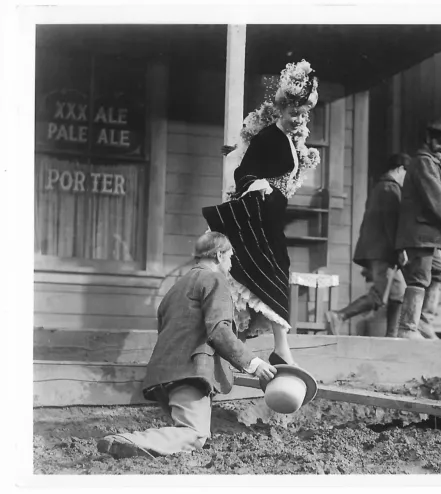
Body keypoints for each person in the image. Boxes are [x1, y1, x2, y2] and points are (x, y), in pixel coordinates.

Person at [97, 232, 278, 459]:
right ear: (219, 255)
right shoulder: (214, 280)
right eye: (230, 257)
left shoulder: (175, 288)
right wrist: (253, 363)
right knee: (193, 434)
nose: (231, 264)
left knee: (188, 434)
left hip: (163, 374)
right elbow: (219, 330)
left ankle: (141, 447)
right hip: (190, 372)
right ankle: (129, 441)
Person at [202, 60, 320, 367]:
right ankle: (274, 348)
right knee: (264, 269)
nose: (298, 118)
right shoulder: (268, 136)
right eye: (294, 112)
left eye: (303, 113)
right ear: (281, 110)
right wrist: (258, 184)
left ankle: (272, 347)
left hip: (272, 215)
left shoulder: (292, 141)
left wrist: (299, 163)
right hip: (261, 214)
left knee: (276, 269)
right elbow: (244, 170)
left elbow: (287, 174)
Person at [395, 123, 441, 340]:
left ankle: (423, 323)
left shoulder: (432, 163)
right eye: (440, 142)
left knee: (438, 273)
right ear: (428, 138)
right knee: (419, 277)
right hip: (420, 234)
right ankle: (408, 328)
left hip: (429, 235)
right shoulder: (423, 162)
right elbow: (436, 196)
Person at [325, 153, 410, 337]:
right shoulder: (390, 189)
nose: (406, 179)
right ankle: (339, 316)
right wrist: (400, 250)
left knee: (399, 294)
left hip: (379, 251)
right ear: (399, 169)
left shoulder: (381, 187)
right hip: (384, 252)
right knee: (379, 295)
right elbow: (391, 225)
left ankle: (392, 336)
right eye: (406, 174)